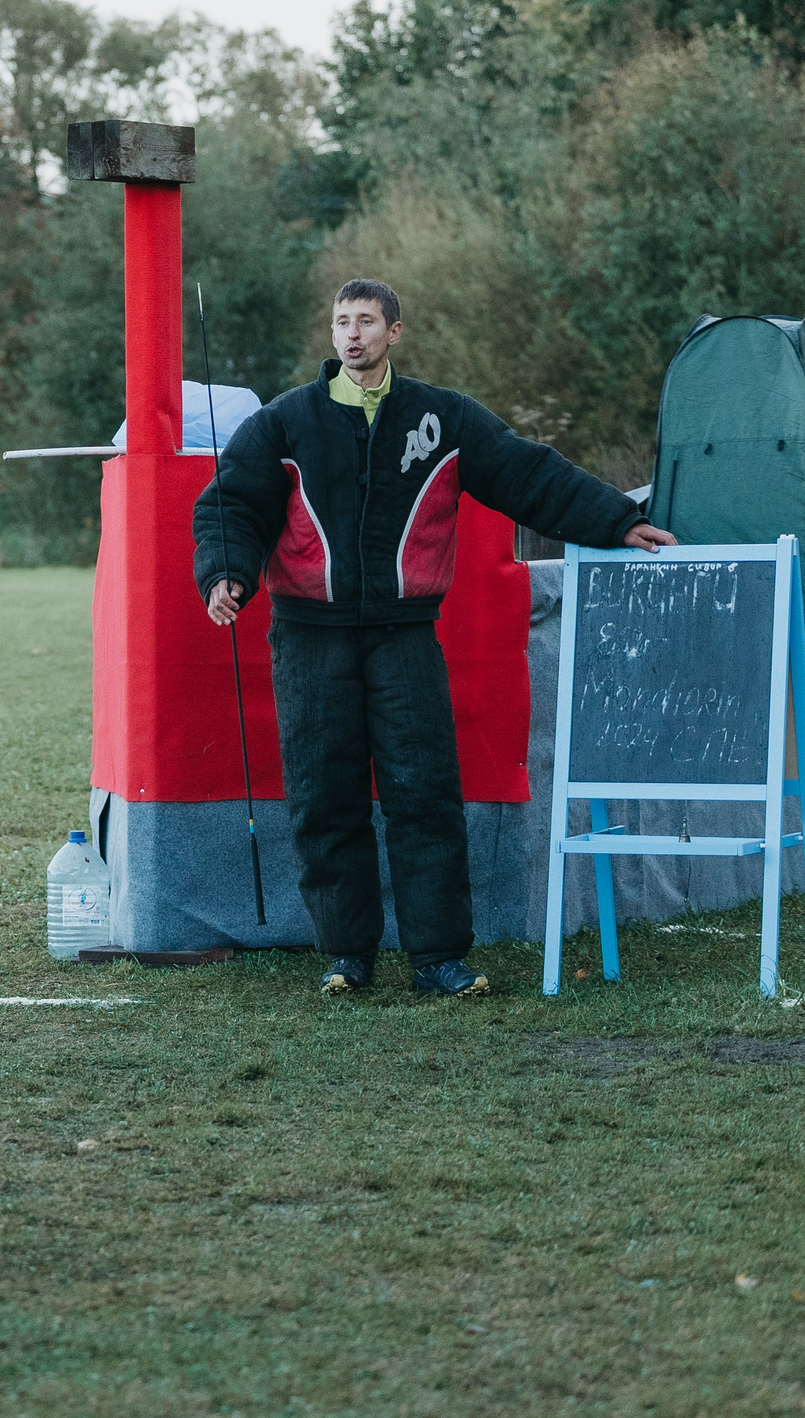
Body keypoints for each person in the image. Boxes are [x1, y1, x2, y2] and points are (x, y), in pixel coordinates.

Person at [193, 280, 674, 997]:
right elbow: (232, 503)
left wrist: (612, 520)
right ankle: (346, 958)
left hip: (404, 638)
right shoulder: (285, 423)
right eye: (340, 322)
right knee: (326, 798)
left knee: (425, 795)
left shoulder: (442, 418)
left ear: (395, 332)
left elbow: (524, 471)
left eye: (365, 322)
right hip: (308, 640)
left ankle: (437, 959)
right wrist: (227, 573)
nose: (350, 334)